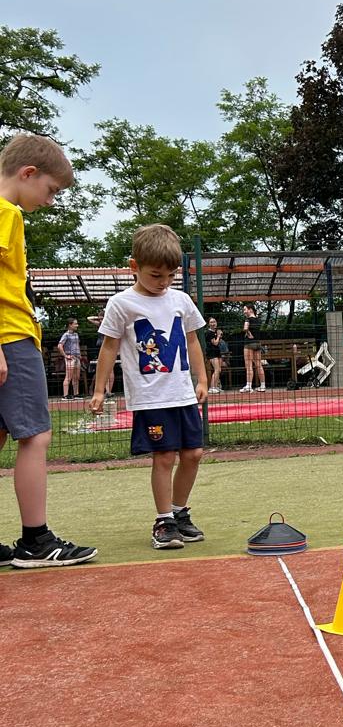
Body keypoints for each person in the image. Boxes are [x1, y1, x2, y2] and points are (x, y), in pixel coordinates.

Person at [0, 134, 97, 567]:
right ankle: (36, 540)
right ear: (28, 173)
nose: (51, 200)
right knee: (35, 436)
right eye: (51, 189)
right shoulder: (7, 212)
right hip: (9, 335)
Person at [89, 224, 208, 550]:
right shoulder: (121, 304)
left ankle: (179, 512)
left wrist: (202, 378)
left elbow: (192, 340)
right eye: (156, 275)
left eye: (171, 275)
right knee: (164, 456)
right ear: (134, 266)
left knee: (194, 454)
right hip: (150, 397)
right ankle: (164, 521)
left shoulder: (181, 299)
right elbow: (109, 347)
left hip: (182, 394)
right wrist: (99, 390)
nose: (164, 282)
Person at [240, 303, 266, 391]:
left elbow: (245, 328)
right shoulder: (258, 320)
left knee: (248, 365)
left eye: (245, 309)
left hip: (249, 344)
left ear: (250, 309)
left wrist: (248, 333)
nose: (244, 312)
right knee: (259, 365)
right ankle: (263, 386)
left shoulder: (248, 319)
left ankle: (248, 386)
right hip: (257, 343)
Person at [56, 317, 83, 397]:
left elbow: (77, 345)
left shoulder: (76, 335)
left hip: (77, 357)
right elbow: (60, 345)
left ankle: (76, 394)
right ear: (70, 325)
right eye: (75, 324)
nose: (77, 325)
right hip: (70, 357)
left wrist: (79, 354)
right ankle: (65, 395)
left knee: (76, 377)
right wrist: (65, 355)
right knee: (68, 376)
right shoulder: (66, 335)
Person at [205, 316, 225, 392]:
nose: (213, 324)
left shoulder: (215, 332)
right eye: (211, 322)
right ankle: (212, 387)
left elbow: (218, 342)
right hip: (212, 353)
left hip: (217, 352)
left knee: (219, 370)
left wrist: (219, 335)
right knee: (216, 370)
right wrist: (219, 336)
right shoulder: (209, 333)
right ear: (208, 324)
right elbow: (215, 343)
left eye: (214, 322)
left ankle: (216, 386)